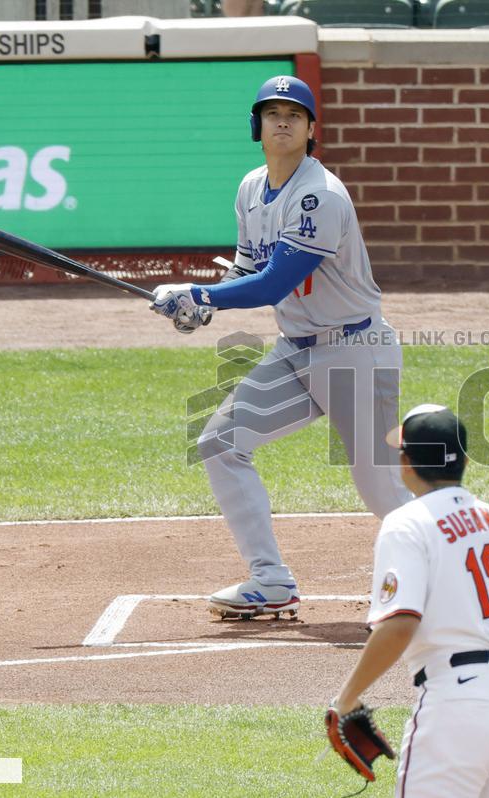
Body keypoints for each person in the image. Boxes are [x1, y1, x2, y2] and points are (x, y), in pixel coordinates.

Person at [149, 75, 411, 619]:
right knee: (220, 443)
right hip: (297, 351)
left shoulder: (320, 196)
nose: (283, 122)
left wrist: (199, 293)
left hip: (354, 350)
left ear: (312, 129)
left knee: (382, 491)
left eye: (294, 114)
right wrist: (202, 306)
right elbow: (248, 268)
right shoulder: (251, 188)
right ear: (257, 126)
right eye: (272, 114)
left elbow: (273, 284)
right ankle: (270, 581)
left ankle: (460, 567)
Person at [331, 404, 489, 796]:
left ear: (405, 463)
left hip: (457, 703)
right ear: (464, 461)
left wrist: (346, 698)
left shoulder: (407, 523)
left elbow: (400, 623)